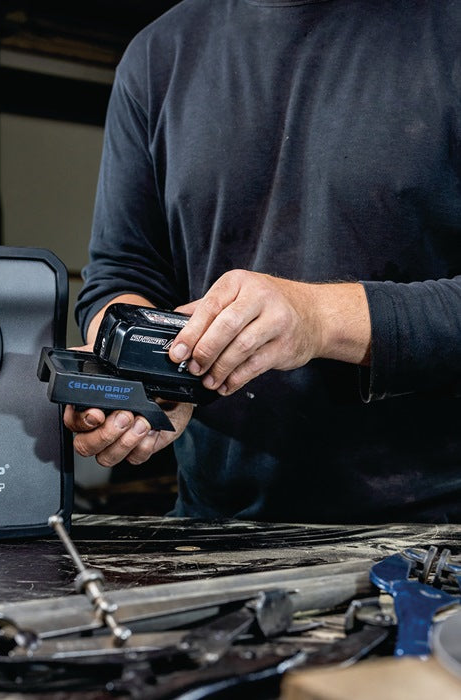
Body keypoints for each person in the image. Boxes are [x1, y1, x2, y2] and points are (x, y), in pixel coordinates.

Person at [66, 0, 461, 524]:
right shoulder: (159, 53)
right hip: (218, 528)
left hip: (433, 536)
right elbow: (123, 269)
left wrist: (317, 318)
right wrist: (149, 372)